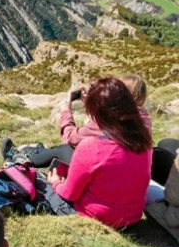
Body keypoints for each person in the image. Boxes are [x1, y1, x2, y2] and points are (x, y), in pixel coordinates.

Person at [44, 78, 152, 228]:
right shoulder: (144, 141)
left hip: (98, 219)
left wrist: (55, 182)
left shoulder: (91, 147)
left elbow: (69, 194)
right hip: (132, 219)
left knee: (42, 184)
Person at [6, 74, 152, 167]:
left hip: (103, 169)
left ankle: (23, 158)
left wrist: (66, 111)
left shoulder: (110, 120)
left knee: (63, 149)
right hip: (127, 169)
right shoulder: (144, 118)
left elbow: (71, 137)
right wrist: (90, 104)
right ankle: (37, 151)